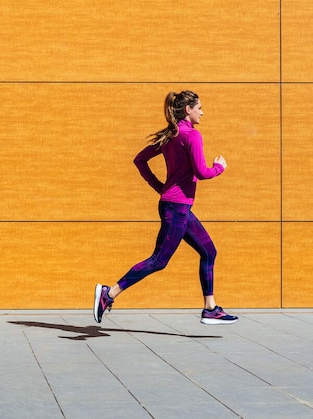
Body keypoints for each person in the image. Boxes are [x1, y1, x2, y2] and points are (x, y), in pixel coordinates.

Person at [93, 90, 238, 325]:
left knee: (209, 251)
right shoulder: (192, 136)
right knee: (158, 260)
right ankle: (108, 294)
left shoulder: (171, 135)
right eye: (199, 107)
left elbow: (139, 160)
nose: (202, 112)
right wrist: (218, 167)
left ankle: (210, 308)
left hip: (177, 207)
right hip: (177, 208)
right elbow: (202, 172)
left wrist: (160, 187)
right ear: (188, 110)